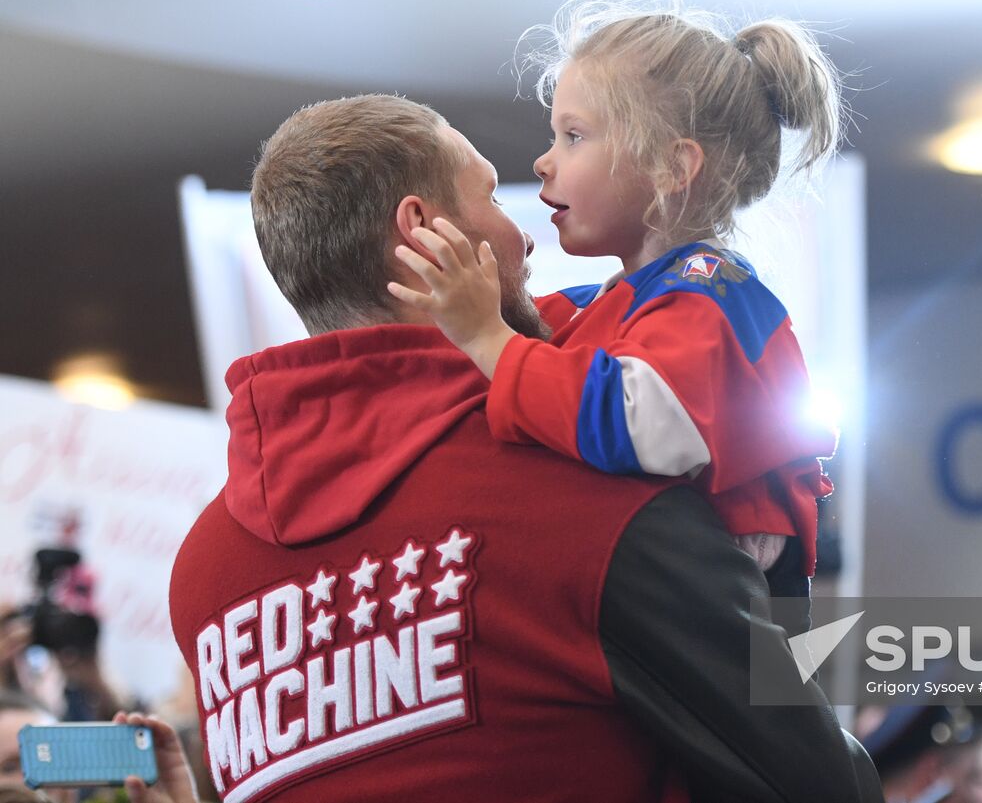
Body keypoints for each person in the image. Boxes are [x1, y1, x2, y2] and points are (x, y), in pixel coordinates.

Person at [169, 94, 880, 803]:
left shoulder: (202, 577)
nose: (527, 238)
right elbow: (824, 785)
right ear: (423, 233)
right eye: (491, 199)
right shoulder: (585, 494)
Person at [387, 0, 843, 607]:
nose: (543, 161)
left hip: (725, 618)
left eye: (574, 136)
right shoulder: (619, 301)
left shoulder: (713, 295)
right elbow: (553, 339)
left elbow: (633, 424)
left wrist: (486, 338)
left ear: (672, 167)